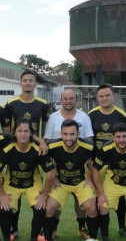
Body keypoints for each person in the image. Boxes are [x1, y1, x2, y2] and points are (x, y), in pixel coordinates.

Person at [0, 117, 55, 241]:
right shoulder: (7, 150)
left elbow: (51, 173)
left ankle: (33, 238)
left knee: (40, 209)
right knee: (4, 209)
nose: (23, 134)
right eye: (20, 131)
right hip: (12, 184)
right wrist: (2, 195)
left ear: (31, 133)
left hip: (32, 184)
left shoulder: (38, 150)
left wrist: (44, 195)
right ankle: (6, 238)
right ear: (14, 133)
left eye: (26, 131)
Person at [43, 89, 94, 240]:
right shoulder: (53, 117)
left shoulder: (84, 116)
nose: (68, 101)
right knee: (56, 203)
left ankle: (82, 228)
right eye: (66, 98)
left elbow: (90, 139)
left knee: (81, 201)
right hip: (60, 167)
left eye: (71, 98)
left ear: (76, 100)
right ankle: (53, 229)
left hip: (80, 167)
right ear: (61, 99)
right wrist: (52, 173)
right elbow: (47, 142)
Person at [4, 70, 50, 238]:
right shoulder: (11, 103)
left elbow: (44, 125)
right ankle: (13, 229)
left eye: (31, 80)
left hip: (35, 149)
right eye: (25, 80)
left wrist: (40, 141)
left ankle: (39, 232)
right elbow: (8, 129)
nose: (28, 83)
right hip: (16, 149)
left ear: (35, 83)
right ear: (20, 83)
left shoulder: (42, 103)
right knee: (15, 186)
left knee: (33, 186)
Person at [87, 83, 126, 237]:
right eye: (101, 96)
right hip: (96, 163)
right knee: (97, 194)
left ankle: (122, 226)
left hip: (116, 163)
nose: (104, 98)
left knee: (120, 195)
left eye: (107, 95)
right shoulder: (91, 115)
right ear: (97, 98)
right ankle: (99, 226)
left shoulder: (122, 116)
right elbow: (88, 140)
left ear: (113, 96)